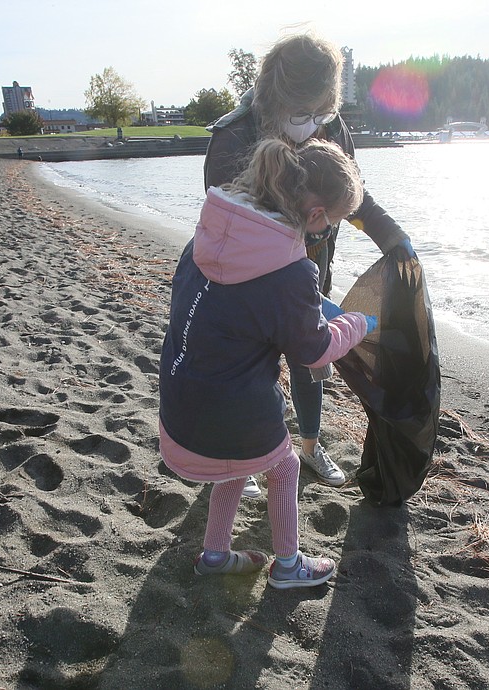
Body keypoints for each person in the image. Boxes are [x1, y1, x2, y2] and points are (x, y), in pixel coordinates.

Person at [204, 33, 414, 498]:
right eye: (303, 116)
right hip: (248, 286)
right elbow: (227, 229)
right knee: (250, 372)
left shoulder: (332, 126)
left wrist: (393, 239)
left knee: (310, 361)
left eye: (322, 114)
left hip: (310, 271)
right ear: (276, 99)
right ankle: (238, 461)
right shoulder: (234, 135)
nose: (314, 125)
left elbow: (351, 196)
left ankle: (310, 446)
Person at [159, 138, 375, 588]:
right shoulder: (291, 270)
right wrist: (359, 322)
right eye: (330, 226)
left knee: (236, 466)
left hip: (179, 405)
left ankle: (216, 555)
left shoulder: (213, 231)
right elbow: (313, 351)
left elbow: (246, 299)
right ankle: (289, 566)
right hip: (231, 412)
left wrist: (313, 302)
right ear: (315, 215)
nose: (324, 235)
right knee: (284, 467)